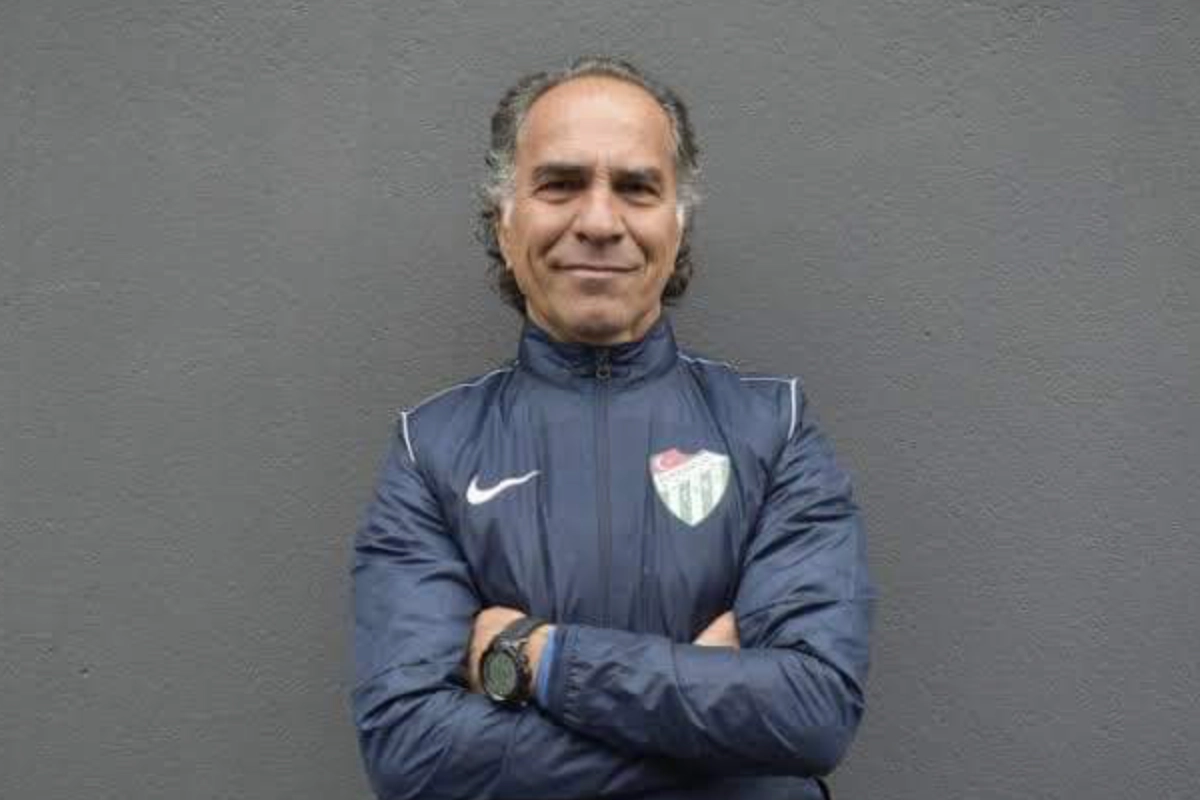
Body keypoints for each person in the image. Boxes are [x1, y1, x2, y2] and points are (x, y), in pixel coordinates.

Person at [350, 56, 875, 800]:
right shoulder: (429, 449)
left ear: (677, 224)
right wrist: (727, 744)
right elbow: (411, 753)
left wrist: (535, 657)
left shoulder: (774, 429)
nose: (599, 222)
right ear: (504, 222)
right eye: (560, 184)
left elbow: (813, 713)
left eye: (635, 188)